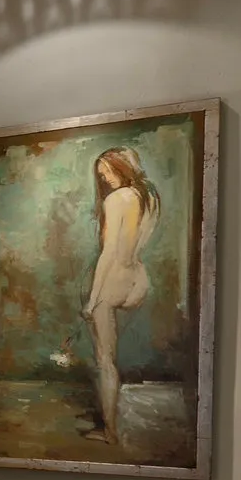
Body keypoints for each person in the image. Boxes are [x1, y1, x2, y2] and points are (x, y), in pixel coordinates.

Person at [82, 146, 160, 444]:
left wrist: (93, 299)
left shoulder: (116, 199)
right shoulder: (150, 197)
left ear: (123, 167)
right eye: (102, 175)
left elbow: (109, 253)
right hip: (138, 280)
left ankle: (110, 431)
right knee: (115, 357)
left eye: (108, 171)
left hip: (113, 282)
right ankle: (113, 421)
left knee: (106, 360)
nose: (105, 178)